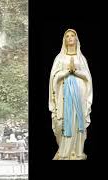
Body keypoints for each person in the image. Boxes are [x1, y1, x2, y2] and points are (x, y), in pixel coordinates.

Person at [49, 29, 93, 160]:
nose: (69, 38)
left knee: (77, 121)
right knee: (62, 122)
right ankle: (64, 152)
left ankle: (77, 151)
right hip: (63, 95)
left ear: (76, 39)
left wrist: (77, 72)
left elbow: (88, 77)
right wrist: (67, 72)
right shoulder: (60, 57)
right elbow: (53, 77)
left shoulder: (81, 58)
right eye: (67, 36)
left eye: (72, 36)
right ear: (64, 40)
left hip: (79, 96)